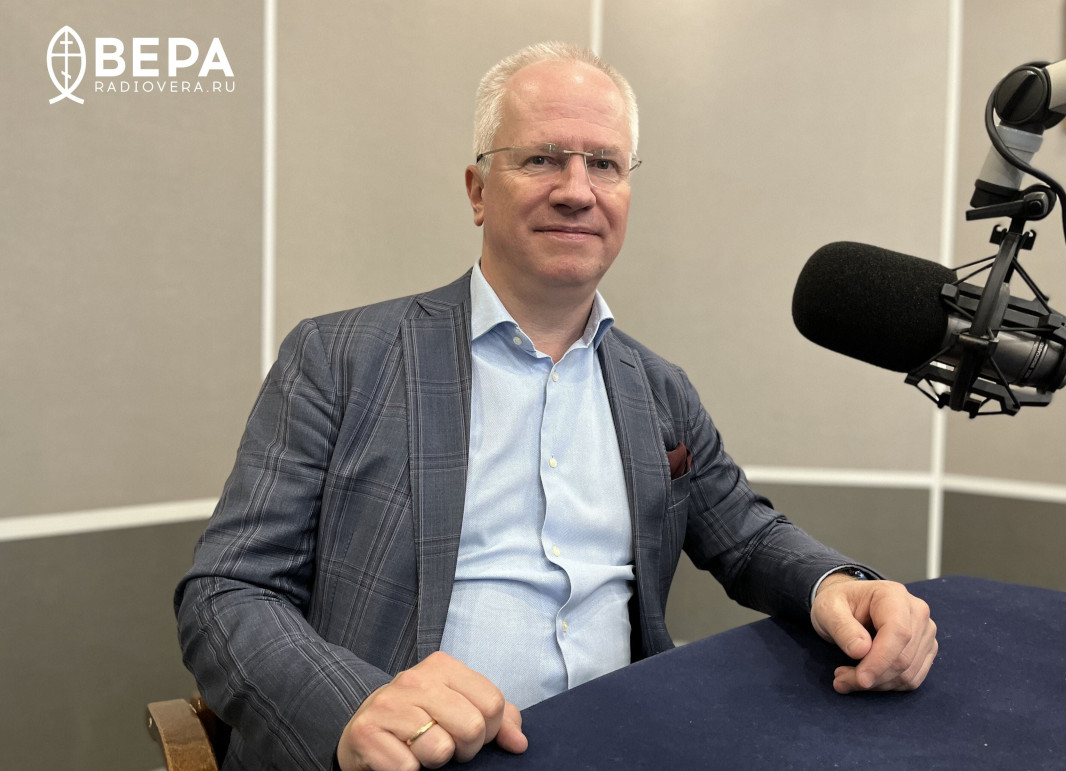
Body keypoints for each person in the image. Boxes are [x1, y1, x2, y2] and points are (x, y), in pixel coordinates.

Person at [175, 41, 938, 771]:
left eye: (604, 163)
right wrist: (356, 706)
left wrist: (837, 584)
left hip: (621, 745)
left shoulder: (659, 389)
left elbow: (746, 535)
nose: (577, 190)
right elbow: (227, 591)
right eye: (541, 158)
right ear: (478, 190)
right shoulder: (339, 358)